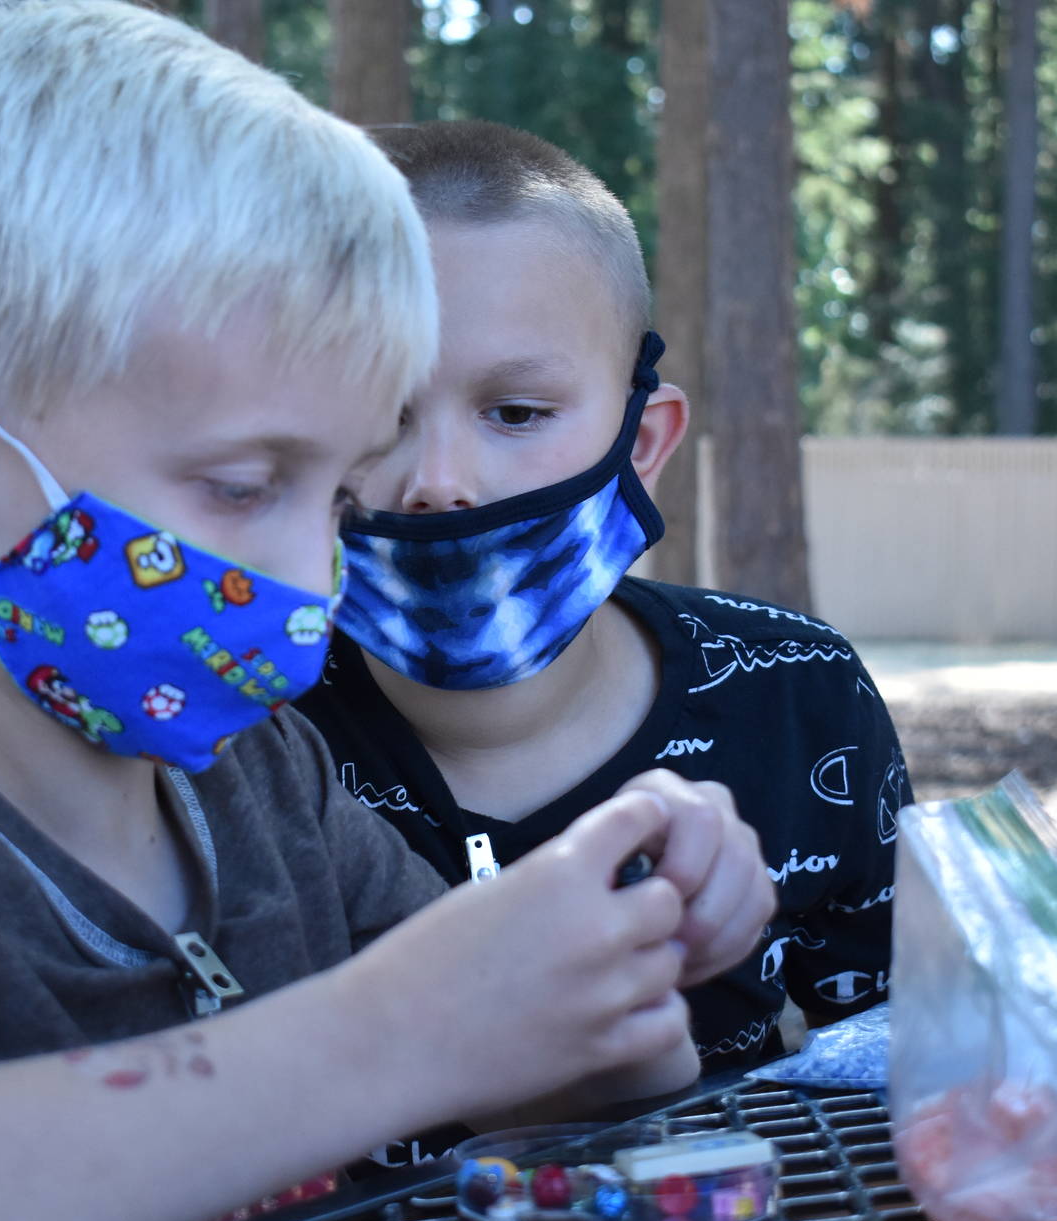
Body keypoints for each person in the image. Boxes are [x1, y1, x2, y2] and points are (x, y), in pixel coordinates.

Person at [0, 6, 777, 1221]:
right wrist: (387, 1037)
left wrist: (624, 956)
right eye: (243, 486)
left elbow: (537, 1088)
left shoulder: (250, 776)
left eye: (338, 496)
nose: (313, 572)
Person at [300, 121, 911, 1074]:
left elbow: (901, 1059)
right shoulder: (231, 735)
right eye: (381, 411)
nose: (440, 483)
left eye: (515, 412)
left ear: (642, 445)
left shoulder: (801, 695)